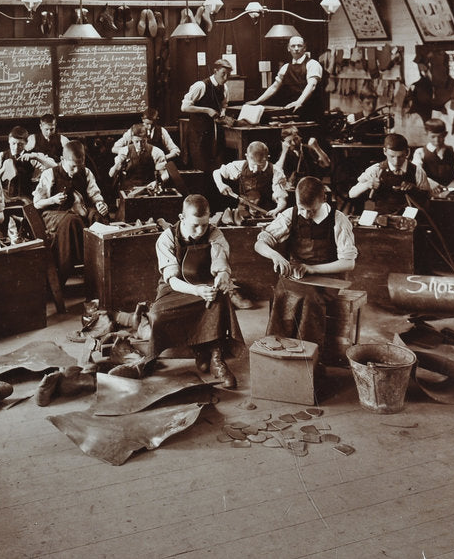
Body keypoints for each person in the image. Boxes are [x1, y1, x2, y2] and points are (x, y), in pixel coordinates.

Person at [148, 194, 244, 389]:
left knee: (221, 299)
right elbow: (173, 280)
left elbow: (220, 261)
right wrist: (196, 291)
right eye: (195, 226)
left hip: (205, 284)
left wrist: (223, 275)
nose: (200, 231)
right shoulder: (167, 238)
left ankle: (216, 359)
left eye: (204, 224)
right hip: (177, 288)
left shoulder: (214, 232)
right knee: (157, 314)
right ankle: (199, 347)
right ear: (182, 218)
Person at [254, 177, 357, 358]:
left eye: (312, 210)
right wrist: (274, 254)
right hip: (298, 273)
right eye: (302, 209)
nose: (306, 215)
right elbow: (260, 243)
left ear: (323, 199)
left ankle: (310, 357)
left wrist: (312, 269)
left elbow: (349, 263)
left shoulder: (338, 220)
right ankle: (278, 354)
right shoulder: (290, 214)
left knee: (310, 299)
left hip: (328, 277)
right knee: (282, 292)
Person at [32, 140, 108, 289]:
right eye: (72, 166)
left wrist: (100, 204)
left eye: (80, 165)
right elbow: (37, 203)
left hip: (80, 211)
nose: (76, 170)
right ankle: (74, 266)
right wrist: (53, 199)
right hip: (54, 214)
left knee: (98, 217)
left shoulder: (85, 173)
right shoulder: (50, 174)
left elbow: (94, 194)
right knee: (72, 221)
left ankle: (100, 268)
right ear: (62, 160)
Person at [246, 36, 326, 122]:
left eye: (299, 46)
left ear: (304, 48)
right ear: (288, 48)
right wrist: (258, 101)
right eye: (293, 46)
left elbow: (312, 85)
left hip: (312, 111)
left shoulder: (313, 64)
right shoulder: (285, 67)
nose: (296, 49)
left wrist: (299, 102)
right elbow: (274, 87)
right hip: (294, 111)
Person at [348, 133, 431, 215]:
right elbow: (352, 194)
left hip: (409, 219)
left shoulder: (417, 171)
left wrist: (414, 189)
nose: (396, 162)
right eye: (392, 156)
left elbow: (427, 197)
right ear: (384, 151)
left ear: (407, 152)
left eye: (400, 156)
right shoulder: (376, 170)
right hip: (382, 217)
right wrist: (367, 184)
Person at [212, 141, 290, 219]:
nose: (255, 170)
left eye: (260, 165)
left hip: (267, 212)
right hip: (244, 211)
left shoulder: (275, 171)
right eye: (253, 165)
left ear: (267, 158)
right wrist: (220, 185)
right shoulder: (240, 166)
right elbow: (217, 172)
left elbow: (282, 199)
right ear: (247, 157)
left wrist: (277, 209)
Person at [181, 58, 232, 173]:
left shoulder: (225, 88)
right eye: (223, 74)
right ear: (215, 71)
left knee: (216, 168)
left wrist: (222, 114)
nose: (225, 78)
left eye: (228, 75)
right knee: (201, 167)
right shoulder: (201, 86)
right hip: (198, 134)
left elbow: (224, 104)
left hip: (215, 133)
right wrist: (207, 110)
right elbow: (184, 107)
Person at [0, 126, 56, 205]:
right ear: (9, 141)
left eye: (20, 144)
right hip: (4, 200)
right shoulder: (0, 157)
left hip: (26, 200)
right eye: (13, 143)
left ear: (26, 143)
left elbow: (55, 168)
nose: (16, 147)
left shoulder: (32, 157)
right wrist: (4, 168)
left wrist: (36, 157)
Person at [412, 117, 454, 194]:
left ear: (445, 134)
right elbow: (415, 172)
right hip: (429, 193)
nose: (437, 140)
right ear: (426, 134)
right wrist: (430, 183)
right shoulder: (420, 152)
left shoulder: (453, 150)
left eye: (440, 136)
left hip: (451, 192)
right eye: (433, 136)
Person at [109, 122, 171, 191]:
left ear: (147, 138)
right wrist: (116, 167)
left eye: (143, 141)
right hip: (128, 190)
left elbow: (165, 174)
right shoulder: (124, 152)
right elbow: (111, 174)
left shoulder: (156, 152)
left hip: (149, 189)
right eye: (137, 141)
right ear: (132, 139)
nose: (140, 145)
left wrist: (157, 182)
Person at [275, 126, 331, 191]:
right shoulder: (285, 154)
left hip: (312, 186)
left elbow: (327, 163)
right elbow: (277, 171)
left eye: (295, 139)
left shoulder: (308, 149)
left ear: (300, 137)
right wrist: (284, 152)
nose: (293, 143)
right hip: (294, 188)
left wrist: (317, 147)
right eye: (289, 141)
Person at [112, 108, 181, 160]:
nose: (149, 127)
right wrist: (132, 154)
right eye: (147, 124)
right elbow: (115, 148)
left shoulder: (161, 131)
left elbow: (176, 150)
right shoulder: (134, 130)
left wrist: (163, 158)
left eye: (152, 124)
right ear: (142, 119)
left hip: (156, 164)